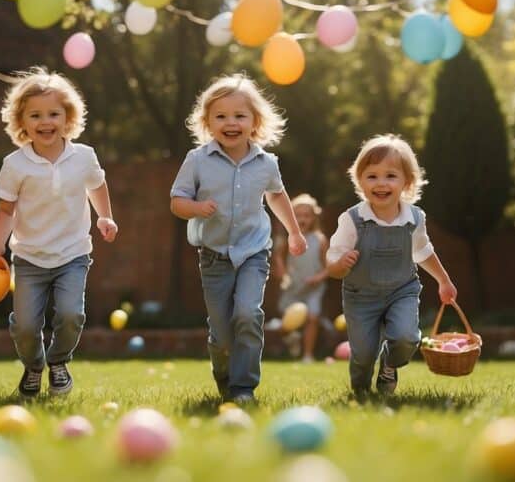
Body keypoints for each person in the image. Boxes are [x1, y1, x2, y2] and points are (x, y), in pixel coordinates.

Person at [171, 73, 307, 404]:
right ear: (207, 122)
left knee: (248, 314)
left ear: (254, 121)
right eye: (221, 116)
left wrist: (294, 230)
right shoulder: (197, 160)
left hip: (253, 252)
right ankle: (222, 370)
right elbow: (176, 202)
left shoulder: (266, 163)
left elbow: (276, 197)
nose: (230, 123)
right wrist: (197, 207)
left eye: (239, 115)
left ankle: (244, 385)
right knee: (221, 333)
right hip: (214, 255)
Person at [0, 68, 117, 398]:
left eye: (54, 114)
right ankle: (33, 365)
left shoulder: (83, 156)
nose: (46, 122)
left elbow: (97, 185)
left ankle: (59, 361)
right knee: (27, 326)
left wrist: (106, 217)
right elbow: (5, 210)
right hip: (29, 256)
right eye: (36, 115)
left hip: (73, 253)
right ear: (22, 121)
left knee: (71, 315)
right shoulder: (16, 164)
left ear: (68, 117)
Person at [326, 134, 457, 396]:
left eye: (390, 176)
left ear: (406, 182)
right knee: (362, 354)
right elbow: (332, 263)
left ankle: (389, 363)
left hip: (402, 290)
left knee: (407, 337)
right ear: (360, 181)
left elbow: (422, 251)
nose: (381, 183)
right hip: (361, 296)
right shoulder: (353, 220)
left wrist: (443, 280)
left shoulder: (414, 218)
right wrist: (340, 264)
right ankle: (361, 389)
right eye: (372, 176)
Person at [273, 193, 329, 362]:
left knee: (312, 318)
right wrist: (283, 272)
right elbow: (278, 257)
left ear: (314, 218)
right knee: (286, 325)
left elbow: (328, 267)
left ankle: (308, 355)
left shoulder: (320, 240)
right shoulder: (289, 237)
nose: (303, 219)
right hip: (294, 286)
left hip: (313, 288)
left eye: (307, 216)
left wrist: (318, 278)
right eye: (298, 215)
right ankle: (292, 338)